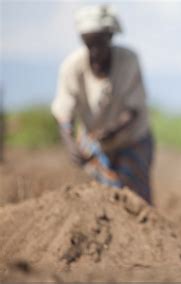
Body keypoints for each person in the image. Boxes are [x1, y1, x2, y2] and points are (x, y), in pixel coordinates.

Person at [51, 5, 154, 203]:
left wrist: (111, 130)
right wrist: (70, 143)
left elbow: (133, 110)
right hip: (95, 140)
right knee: (103, 195)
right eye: (90, 45)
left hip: (132, 138)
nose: (95, 52)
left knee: (136, 196)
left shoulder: (128, 60)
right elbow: (64, 114)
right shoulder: (72, 68)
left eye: (100, 44)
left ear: (110, 38)